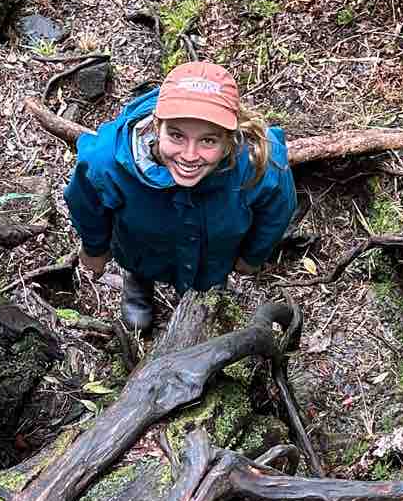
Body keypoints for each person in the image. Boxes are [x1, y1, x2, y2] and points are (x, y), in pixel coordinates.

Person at [63, 62, 297, 331]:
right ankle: (139, 284)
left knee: (207, 286)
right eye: (176, 135)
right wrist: (95, 247)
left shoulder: (260, 163)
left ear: (229, 138)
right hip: (139, 248)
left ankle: (205, 296)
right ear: (156, 126)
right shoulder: (106, 161)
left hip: (212, 256)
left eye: (209, 141)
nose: (189, 156)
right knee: (140, 264)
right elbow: (86, 203)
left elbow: (279, 208)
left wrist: (253, 255)